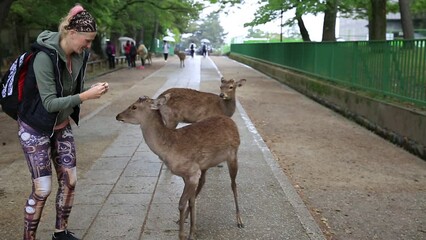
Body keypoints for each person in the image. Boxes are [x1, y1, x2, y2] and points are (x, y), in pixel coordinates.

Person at [17, 4, 109, 240]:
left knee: (70, 180)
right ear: (71, 33)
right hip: (35, 127)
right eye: (86, 40)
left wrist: (89, 91)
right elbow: (49, 103)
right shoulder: (43, 57)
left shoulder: (80, 55)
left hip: (60, 125)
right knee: (43, 188)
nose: (89, 46)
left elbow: (71, 90)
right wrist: (85, 96)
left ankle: (61, 233)